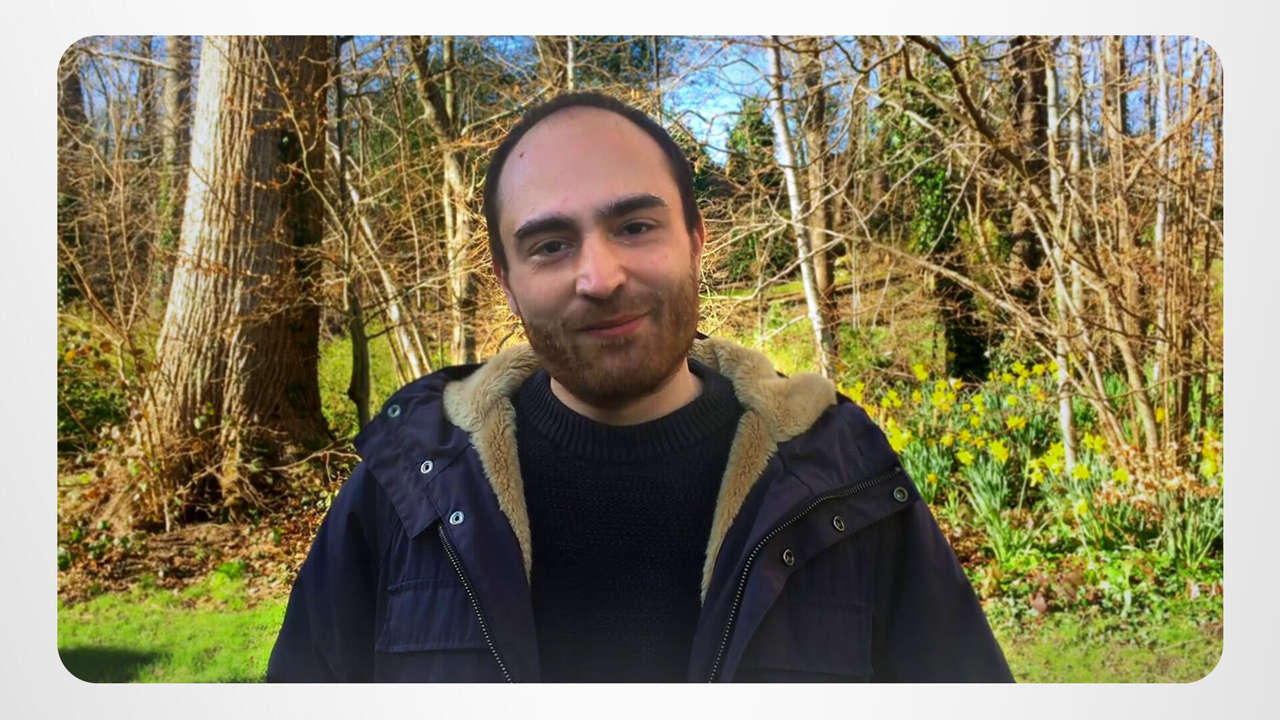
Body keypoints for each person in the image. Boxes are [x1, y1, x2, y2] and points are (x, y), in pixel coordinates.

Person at [266, 91, 1014, 683]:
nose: (600, 278)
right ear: (507, 280)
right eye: (550, 244)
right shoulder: (408, 491)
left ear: (696, 240)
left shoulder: (839, 481)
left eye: (634, 227)